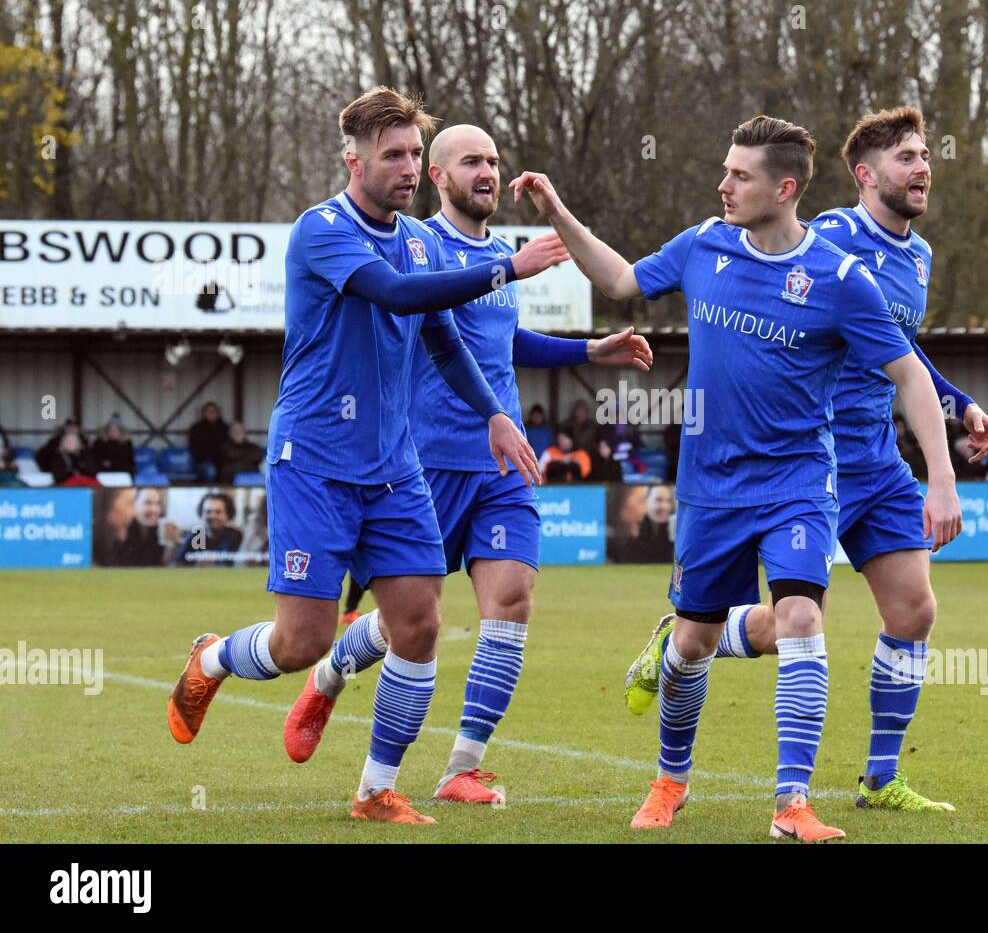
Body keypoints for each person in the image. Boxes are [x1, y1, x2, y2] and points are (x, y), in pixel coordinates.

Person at [513, 111, 965, 840]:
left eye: (739, 175)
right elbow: (622, 280)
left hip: (798, 480)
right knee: (692, 644)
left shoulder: (839, 278)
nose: (723, 184)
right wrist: (561, 213)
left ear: (783, 188)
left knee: (801, 620)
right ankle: (669, 779)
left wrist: (939, 477)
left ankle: (793, 804)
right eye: (725, 170)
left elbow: (910, 373)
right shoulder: (703, 246)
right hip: (710, 486)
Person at [165, 87, 568, 826]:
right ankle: (213, 660)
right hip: (314, 461)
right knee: (301, 641)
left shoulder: (418, 238)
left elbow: (443, 338)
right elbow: (391, 294)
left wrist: (497, 417)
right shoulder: (321, 231)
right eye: (394, 155)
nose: (409, 166)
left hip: (395, 468)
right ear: (353, 160)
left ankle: (376, 789)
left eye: (416, 153)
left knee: (416, 623)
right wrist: (507, 267)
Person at [615, 106, 988, 822]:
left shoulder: (918, 257)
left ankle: (880, 777)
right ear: (865, 175)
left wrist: (957, 402)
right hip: (808, 459)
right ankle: (685, 643)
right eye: (906, 158)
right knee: (785, 621)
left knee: (914, 609)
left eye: (924, 156)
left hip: (877, 459)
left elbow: (898, 352)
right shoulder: (828, 238)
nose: (922, 168)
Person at [280, 122, 650, 806]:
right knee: (403, 626)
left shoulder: (499, 253)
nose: (486, 173)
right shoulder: (417, 251)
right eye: (469, 162)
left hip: (500, 465)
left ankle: (461, 767)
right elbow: (415, 311)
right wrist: (509, 268)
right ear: (440, 178)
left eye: (493, 161)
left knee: (510, 602)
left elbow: (504, 341)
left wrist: (590, 351)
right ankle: (328, 675)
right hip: (428, 462)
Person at [171, 492, 244, 566]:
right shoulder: (195, 534)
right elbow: (177, 563)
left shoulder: (235, 535)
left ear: (228, 515)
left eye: (218, 512)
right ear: (201, 514)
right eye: (208, 511)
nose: (212, 516)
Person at [188, 402, 229, 483]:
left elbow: (228, 446)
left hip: (222, 461)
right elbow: (193, 447)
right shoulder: (196, 428)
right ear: (203, 413)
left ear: (218, 413)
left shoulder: (225, 428)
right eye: (208, 411)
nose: (211, 413)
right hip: (202, 461)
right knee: (210, 470)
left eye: (214, 411)